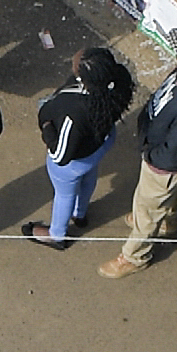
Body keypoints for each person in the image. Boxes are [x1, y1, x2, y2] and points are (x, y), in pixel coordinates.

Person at [99, 30, 177, 277]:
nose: (176, 57)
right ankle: (170, 221)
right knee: (166, 195)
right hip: (166, 155)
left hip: (165, 163)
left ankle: (135, 256)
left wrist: (152, 156)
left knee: (148, 208)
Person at [27, 46, 134, 248]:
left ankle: (57, 234)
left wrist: (47, 128)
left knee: (65, 193)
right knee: (89, 177)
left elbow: (60, 156)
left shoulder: (74, 112)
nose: (75, 61)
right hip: (100, 144)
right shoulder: (119, 82)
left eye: (78, 64)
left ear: (84, 77)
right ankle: (80, 214)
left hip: (74, 162)